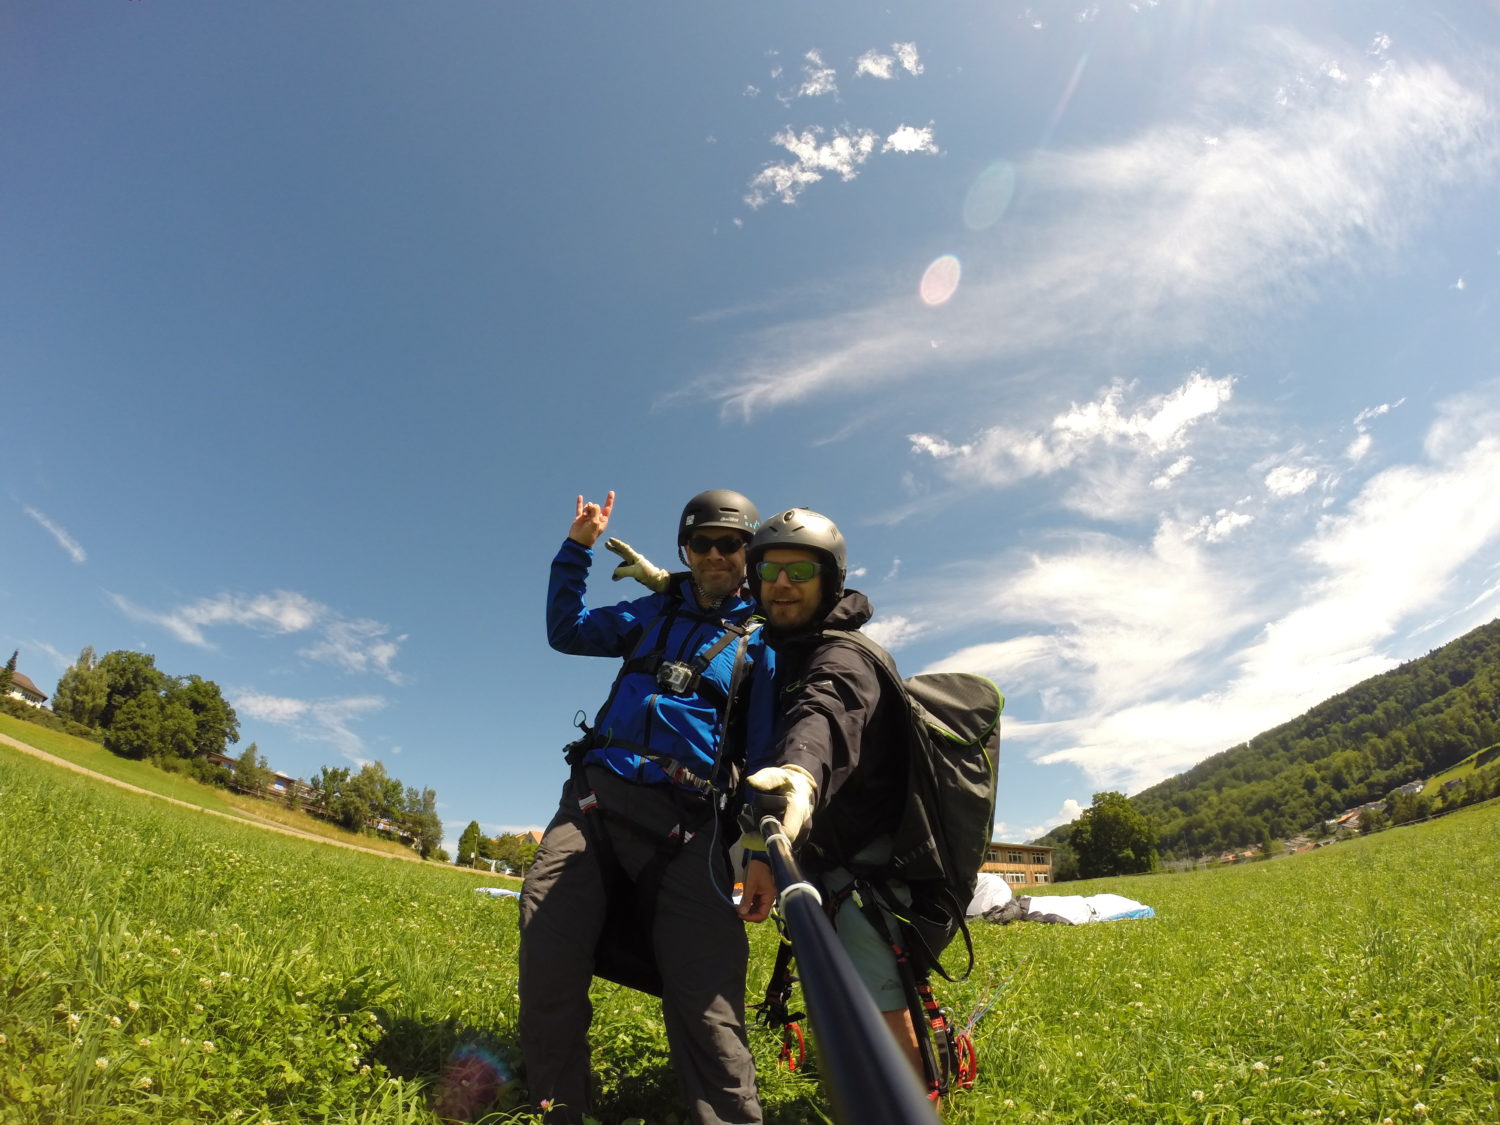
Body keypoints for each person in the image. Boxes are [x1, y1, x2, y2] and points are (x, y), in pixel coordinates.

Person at [519, 489, 765, 1125]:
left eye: (730, 543)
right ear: (686, 549)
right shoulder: (649, 614)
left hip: (690, 826)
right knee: (547, 952)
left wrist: (760, 844)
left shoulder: (765, 643)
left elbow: (767, 750)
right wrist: (577, 549)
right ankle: (559, 1109)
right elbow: (565, 633)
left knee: (709, 1004)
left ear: (748, 553)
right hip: (593, 805)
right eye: (701, 543)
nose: (715, 554)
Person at [733, 507, 927, 1078]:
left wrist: (800, 777)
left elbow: (827, 714)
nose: (783, 584)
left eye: (799, 571)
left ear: (830, 583)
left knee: (883, 1005)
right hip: (819, 856)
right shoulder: (780, 654)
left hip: (867, 869)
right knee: (835, 992)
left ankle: (916, 1104)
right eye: (769, 572)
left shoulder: (844, 655)